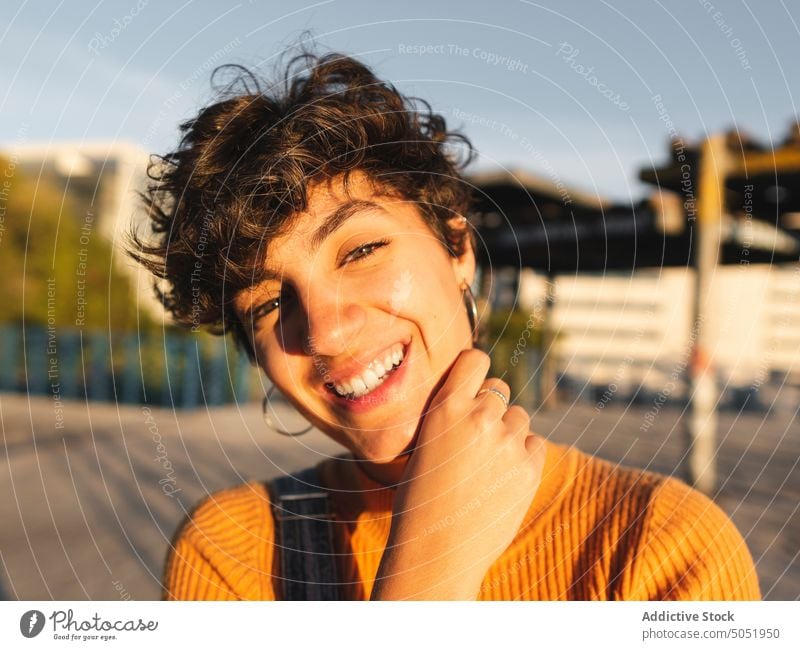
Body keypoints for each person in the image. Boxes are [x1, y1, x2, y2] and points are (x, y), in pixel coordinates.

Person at [128, 50, 760, 601]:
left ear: (457, 247)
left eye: (360, 251)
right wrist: (427, 576)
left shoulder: (659, 546)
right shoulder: (231, 556)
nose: (323, 333)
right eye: (268, 305)